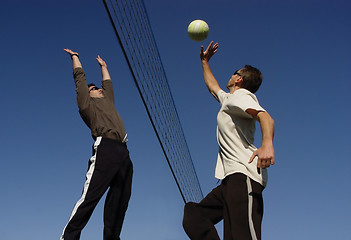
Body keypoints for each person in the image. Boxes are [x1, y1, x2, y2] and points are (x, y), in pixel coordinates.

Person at [182, 41, 275, 240]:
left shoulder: (241, 96)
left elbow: (265, 117)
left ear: (239, 79)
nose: (230, 75)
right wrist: (205, 62)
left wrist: (267, 143)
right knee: (194, 215)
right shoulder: (229, 100)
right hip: (230, 181)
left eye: (234, 72)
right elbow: (213, 87)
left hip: (245, 176)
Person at [60, 49, 133, 240]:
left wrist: (104, 67)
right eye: (94, 89)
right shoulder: (87, 105)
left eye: (98, 88)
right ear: (89, 95)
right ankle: (68, 237)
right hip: (106, 148)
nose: (99, 89)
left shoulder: (108, 100)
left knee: (119, 202)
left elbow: (107, 85)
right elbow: (81, 82)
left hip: (124, 153)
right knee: (90, 196)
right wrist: (76, 58)